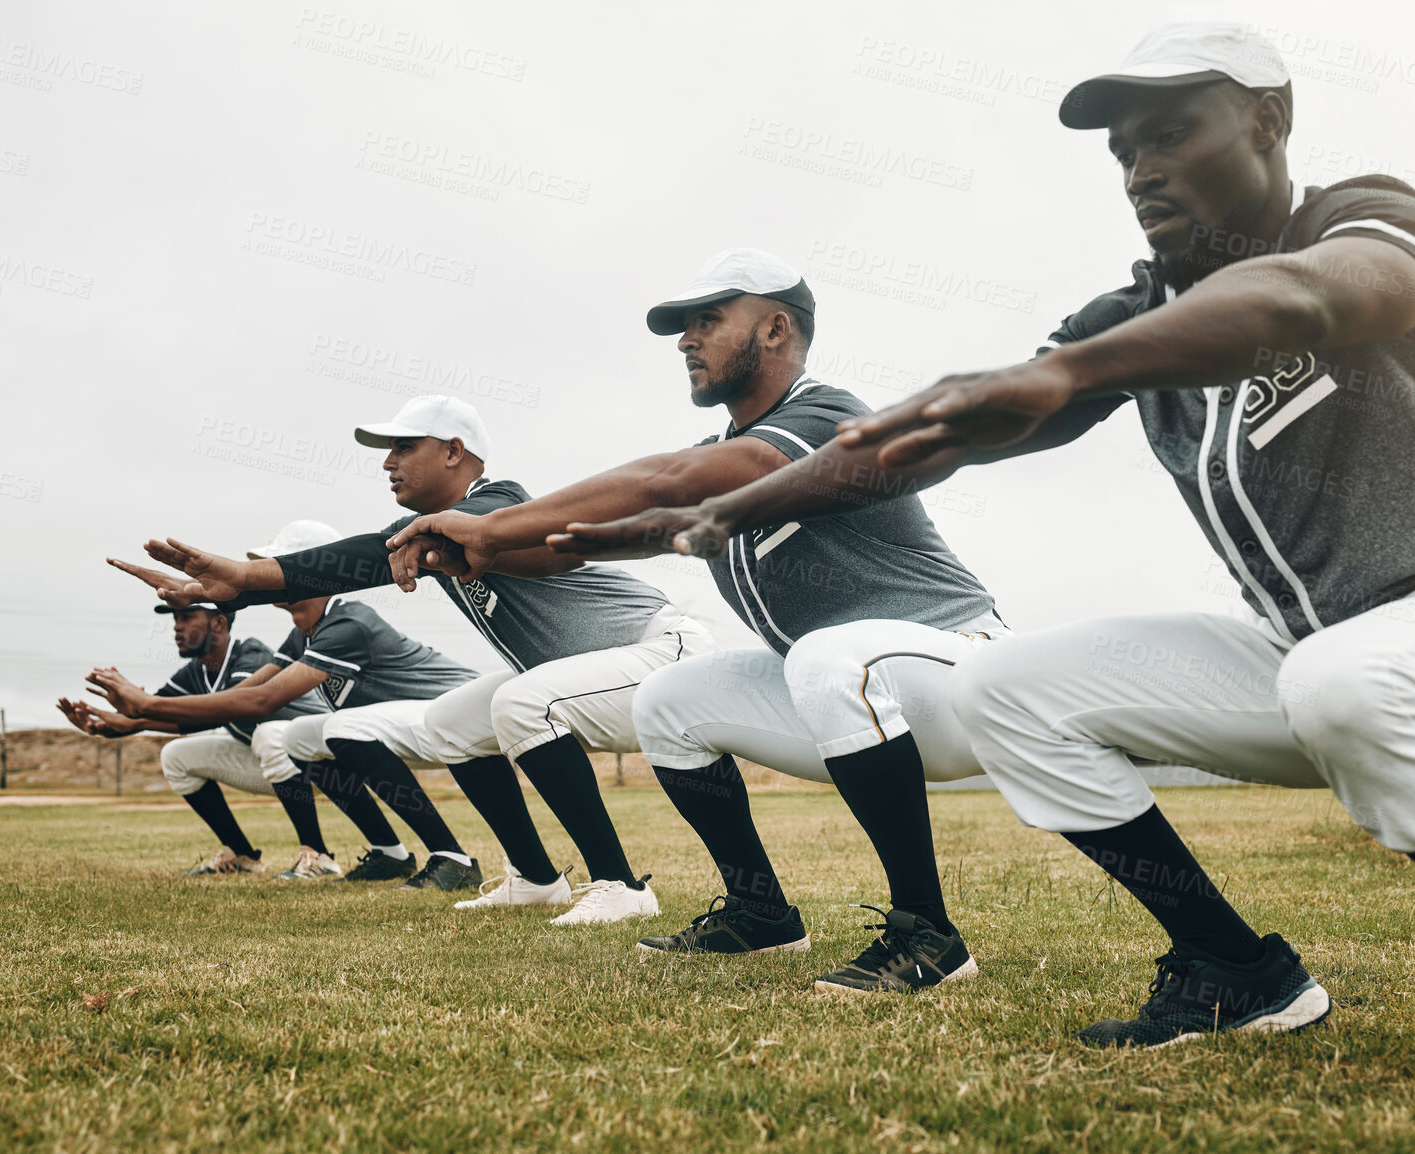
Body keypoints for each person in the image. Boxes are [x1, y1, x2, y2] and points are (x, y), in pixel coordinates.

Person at [560, 23, 1415, 1102]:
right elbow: (929, 439)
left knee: (1341, 677)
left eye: (1169, 134)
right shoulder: (1138, 312)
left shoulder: (1362, 216)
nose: (1141, 169)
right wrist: (713, 515)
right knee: (1012, 686)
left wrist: (1073, 372)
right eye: (1122, 154)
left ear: (1268, 121)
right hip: (1307, 653)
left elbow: (1319, 299)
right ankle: (1234, 969)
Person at [383, 249, 1008, 992]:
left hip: (961, 670)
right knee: (670, 699)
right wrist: (495, 546)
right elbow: (617, 530)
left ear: (775, 329)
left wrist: (494, 523)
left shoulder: (825, 414)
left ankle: (928, 936)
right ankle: (761, 913)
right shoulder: (721, 452)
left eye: (707, 320)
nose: (685, 339)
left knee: (827, 656)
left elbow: (672, 480)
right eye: (683, 326)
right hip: (846, 692)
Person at [119, 398, 715, 924]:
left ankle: (620, 886)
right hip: (595, 672)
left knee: (522, 699)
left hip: (659, 650)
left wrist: (248, 576)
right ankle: (537, 881)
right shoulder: (424, 532)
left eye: (404, 447)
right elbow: (350, 562)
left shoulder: (497, 502)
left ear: (455, 451)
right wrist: (239, 588)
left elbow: (381, 553)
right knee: (452, 722)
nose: (387, 462)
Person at [97, 519, 479, 888]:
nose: (272, 574)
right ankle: (389, 853)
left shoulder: (348, 623)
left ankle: (452, 858)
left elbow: (261, 702)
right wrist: (137, 717)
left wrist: (146, 707)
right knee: (301, 736)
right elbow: (245, 694)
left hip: (467, 718)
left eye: (281, 566)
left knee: (328, 729)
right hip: (423, 728)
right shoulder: (305, 632)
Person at [60, 600, 329, 875]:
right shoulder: (196, 672)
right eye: (176, 618)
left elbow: (226, 710)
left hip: (328, 762)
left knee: (267, 734)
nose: (177, 627)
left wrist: (140, 711)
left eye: (187, 617)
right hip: (282, 766)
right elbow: (156, 712)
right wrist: (103, 725)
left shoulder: (252, 654)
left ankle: (317, 855)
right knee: (176, 756)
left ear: (219, 623)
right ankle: (240, 855)